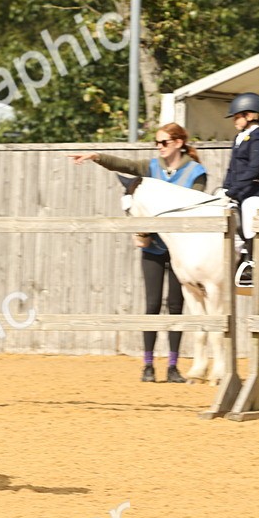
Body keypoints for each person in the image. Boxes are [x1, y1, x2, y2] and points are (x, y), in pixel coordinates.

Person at [69, 123, 207, 383]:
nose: (159, 147)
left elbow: (195, 209)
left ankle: (173, 365)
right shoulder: (152, 167)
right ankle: (148, 364)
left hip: (180, 250)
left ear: (178, 143)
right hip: (154, 247)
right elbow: (126, 165)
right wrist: (96, 156)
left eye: (164, 142)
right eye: (157, 142)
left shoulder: (195, 173)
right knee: (152, 304)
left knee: (175, 306)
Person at [220, 92, 259, 288]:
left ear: (250, 115)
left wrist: (233, 191)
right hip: (242, 190)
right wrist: (225, 188)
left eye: (237, 116)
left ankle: (253, 262)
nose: (234, 121)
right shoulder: (239, 137)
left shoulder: (257, 138)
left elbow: (254, 169)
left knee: (249, 208)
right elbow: (232, 168)